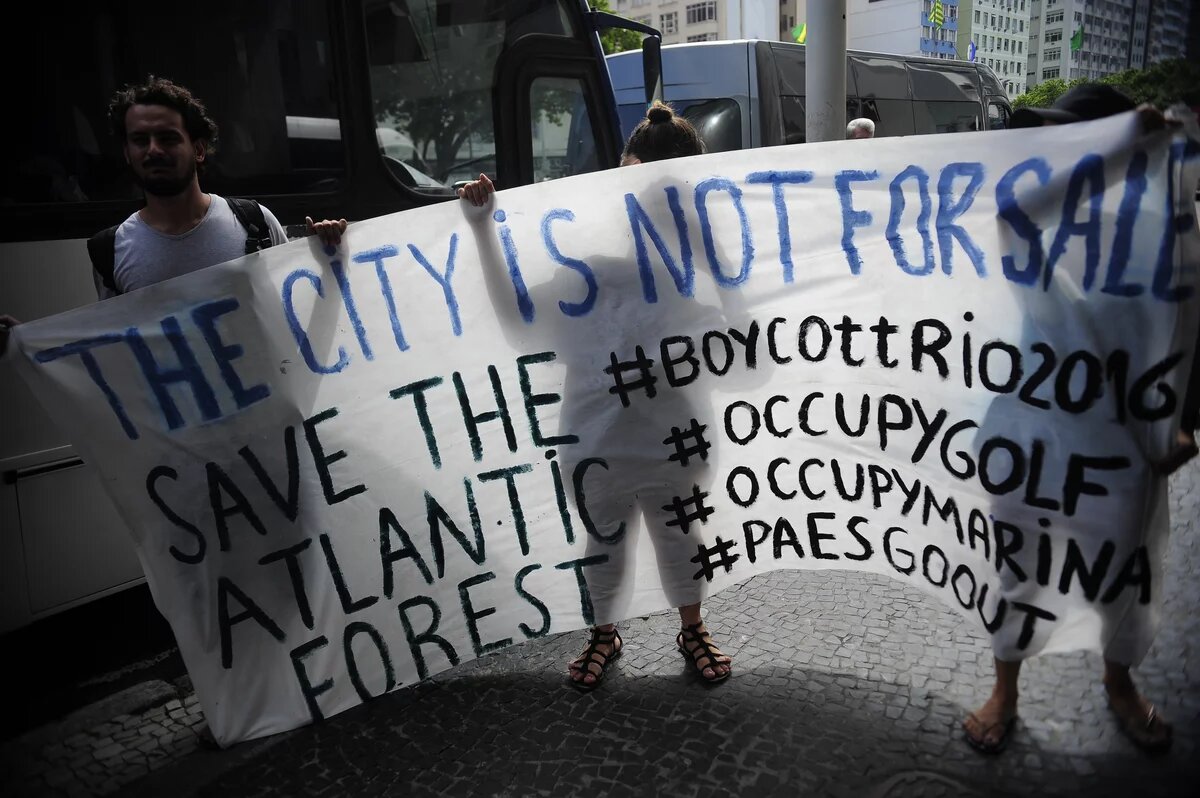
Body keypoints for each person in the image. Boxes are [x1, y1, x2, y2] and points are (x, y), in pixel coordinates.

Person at [458, 102, 734, 691]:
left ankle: (692, 627)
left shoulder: (704, 252)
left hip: (669, 432)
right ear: (624, 172)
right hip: (598, 434)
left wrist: (718, 270)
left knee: (680, 535)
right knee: (606, 539)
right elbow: (519, 323)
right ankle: (605, 633)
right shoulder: (580, 244)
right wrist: (484, 230)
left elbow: (744, 351)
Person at [963, 83, 1188, 755]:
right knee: (1018, 572)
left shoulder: (1163, 230)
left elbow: (1188, 323)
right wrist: (1118, 152)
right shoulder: (1044, 226)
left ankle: (1119, 685)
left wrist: (1186, 422)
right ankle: (1005, 689)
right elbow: (1009, 218)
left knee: (1121, 569)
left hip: (1120, 443)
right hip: (1029, 434)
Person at [91, 76, 346, 298]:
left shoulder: (256, 223)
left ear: (198, 150)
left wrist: (323, 255)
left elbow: (294, 306)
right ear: (127, 153)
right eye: (140, 140)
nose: (153, 149)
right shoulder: (111, 252)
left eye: (168, 138)